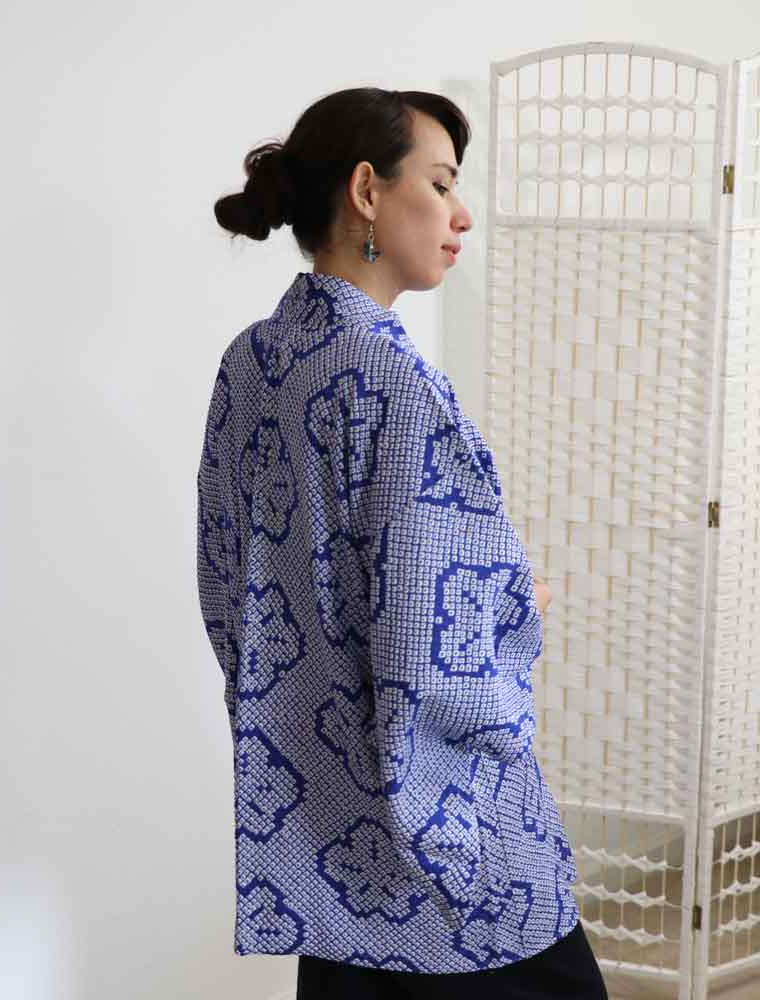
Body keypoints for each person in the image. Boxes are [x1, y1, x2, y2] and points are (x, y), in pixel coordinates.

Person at [197, 87, 608, 998]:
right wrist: (515, 601)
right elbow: (439, 636)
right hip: (441, 840)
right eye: (441, 181)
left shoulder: (253, 362)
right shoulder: (390, 378)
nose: (461, 215)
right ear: (367, 192)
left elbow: (230, 589)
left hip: (318, 824)